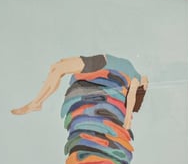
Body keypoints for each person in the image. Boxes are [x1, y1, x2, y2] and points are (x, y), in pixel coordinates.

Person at [12, 54, 148, 130]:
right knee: (56, 67)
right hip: (99, 60)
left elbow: (131, 99)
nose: (147, 82)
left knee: (59, 69)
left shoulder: (135, 79)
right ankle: (37, 102)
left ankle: (36, 103)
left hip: (100, 62)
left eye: (146, 85)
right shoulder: (134, 72)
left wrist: (127, 122)